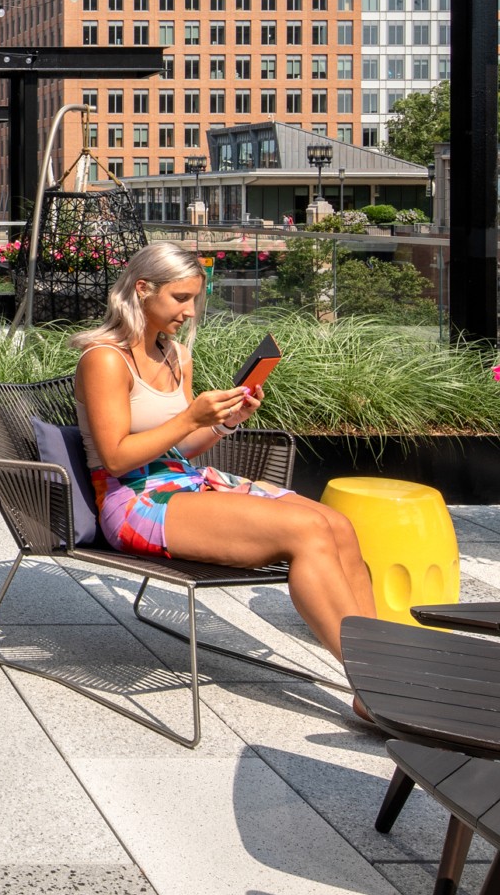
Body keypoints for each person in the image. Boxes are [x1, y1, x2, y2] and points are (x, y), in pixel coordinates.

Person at [72, 241, 377, 678]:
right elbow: (116, 458)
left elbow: (180, 448)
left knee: (338, 526)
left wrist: (225, 423)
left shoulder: (176, 356)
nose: (190, 311)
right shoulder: (104, 360)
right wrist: (190, 418)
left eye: (195, 299)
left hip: (186, 483)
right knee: (308, 530)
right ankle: (368, 681)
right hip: (136, 501)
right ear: (142, 289)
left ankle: (384, 662)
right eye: (181, 297)